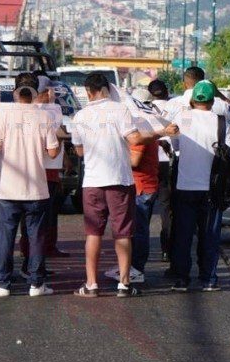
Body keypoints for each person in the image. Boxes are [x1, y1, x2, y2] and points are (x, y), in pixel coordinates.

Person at [70, 72, 159, 298]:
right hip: (119, 180)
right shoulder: (121, 111)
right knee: (122, 234)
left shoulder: (79, 116)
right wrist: (157, 133)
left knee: (93, 233)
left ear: (88, 92)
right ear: (108, 90)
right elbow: (135, 140)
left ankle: (91, 284)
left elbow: (79, 151)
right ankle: (124, 284)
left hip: (92, 182)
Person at [0, 82, 60, 297]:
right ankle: (36, 284)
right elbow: (53, 153)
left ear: (16, 97)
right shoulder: (44, 117)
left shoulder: (4, 116)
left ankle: (2, 283)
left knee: (5, 236)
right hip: (37, 188)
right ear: (34, 97)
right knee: (36, 236)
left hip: (9, 188)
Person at [167, 81, 230, 292]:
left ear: (192, 100)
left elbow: (175, 146)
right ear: (213, 101)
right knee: (210, 235)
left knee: (183, 235)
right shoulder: (220, 122)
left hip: (185, 186)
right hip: (212, 189)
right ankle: (208, 278)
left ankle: (181, 279)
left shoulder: (182, 117)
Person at [35, 76, 70, 259]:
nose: (55, 93)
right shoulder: (39, 112)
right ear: (46, 91)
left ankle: (49, 247)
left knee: (51, 212)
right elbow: (60, 134)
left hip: (53, 168)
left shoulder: (54, 109)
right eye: (52, 89)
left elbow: (60, 137)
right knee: (41, 215)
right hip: (42, 169)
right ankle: (38, 253)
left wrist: (65, 160)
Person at [146, 80, 175, 265]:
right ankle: (167, 250)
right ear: (167, 92)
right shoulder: (175, 108)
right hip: (168, 163)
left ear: (151, 94)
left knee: (144, 209)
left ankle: (142, 251)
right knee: (167, 210)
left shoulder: (145, 110)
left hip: (148, 163)